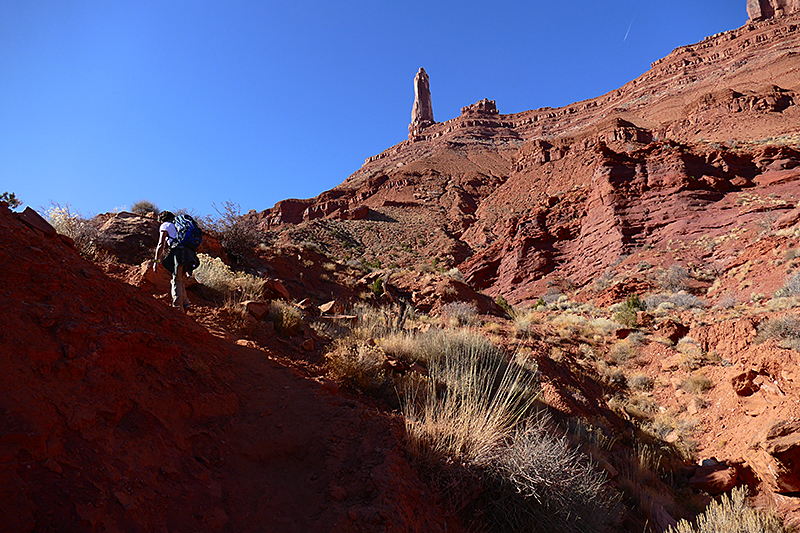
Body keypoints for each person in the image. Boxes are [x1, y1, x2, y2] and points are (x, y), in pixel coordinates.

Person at [154, 211, 199, 312]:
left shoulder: (165, 225)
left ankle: (178, 307)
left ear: (162, 219)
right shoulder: (178, 225)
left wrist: (156, 260)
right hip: (189, 253)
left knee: (176, 280)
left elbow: (161, 244)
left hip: (178, 253)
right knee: (180, 279)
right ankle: (186, 303)